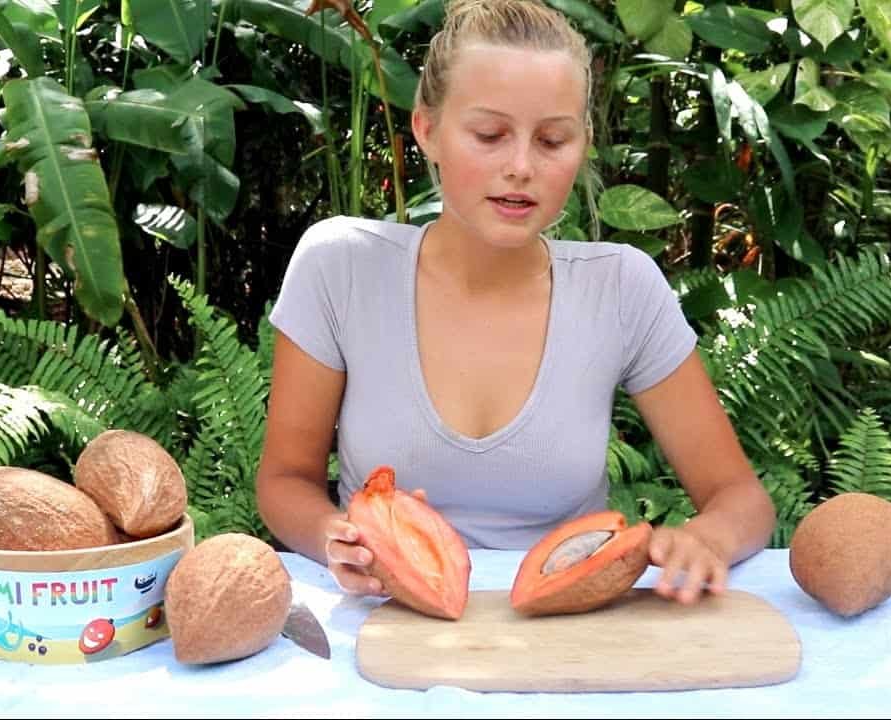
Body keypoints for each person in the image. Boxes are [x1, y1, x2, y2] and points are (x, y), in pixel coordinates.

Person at [255, 0, 776, 606]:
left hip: (563, 636)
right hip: (376, 633)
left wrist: (705, 538)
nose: (522, 167)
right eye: (489, 135)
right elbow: (284, 481)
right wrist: (333, 537)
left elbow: (741, 498)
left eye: (553, 139)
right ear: (427, 130)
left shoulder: (622, 288)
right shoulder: (340, 266)